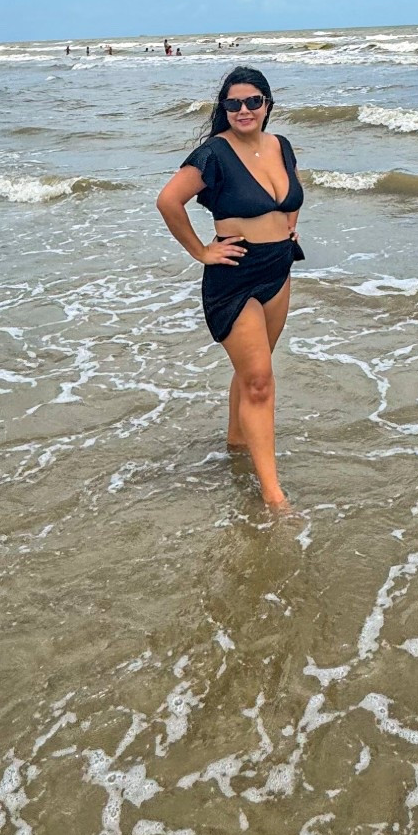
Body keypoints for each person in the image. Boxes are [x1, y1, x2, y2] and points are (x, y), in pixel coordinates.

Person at [156, 66, 305, 511]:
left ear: (267, 105)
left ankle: (238, 444)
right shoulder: (214, 154)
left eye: (252, 102)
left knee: (254, 373)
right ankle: (273, 495)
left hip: (278, 269)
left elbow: (291, 196)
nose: (243, 110)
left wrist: (289, 228)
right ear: (224, 109)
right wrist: (201, 251)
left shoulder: (282, 146)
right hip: (234, 275)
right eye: (234, 103)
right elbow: (168, 201)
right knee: (259, 381)